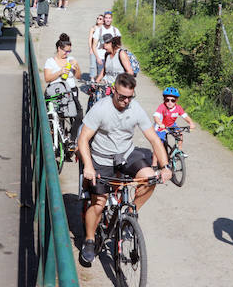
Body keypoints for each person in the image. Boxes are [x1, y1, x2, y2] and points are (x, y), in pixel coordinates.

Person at [77, 73, 172, 266]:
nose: (126, 101)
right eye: (122, 97)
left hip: (126, 154)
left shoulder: (135, 109)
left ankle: (130, 213)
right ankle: (89, 240)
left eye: (130, 97)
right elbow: (83, 139)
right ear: (113, 91)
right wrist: (88, 165)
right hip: (101, 157)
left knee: (150, 178)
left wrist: (165, 167)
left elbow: (154, 139)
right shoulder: (101, 108)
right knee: (99, 203)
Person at [44, 33, 83, 143]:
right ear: (59, 49)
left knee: (79, 114)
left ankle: (72, 138)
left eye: (69, 51)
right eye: (65, 51)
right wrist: (60, 72)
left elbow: (78, 77)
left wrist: (77, 67)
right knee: (59, 115)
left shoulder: (71, 59)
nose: (67, 53)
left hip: (70, 91)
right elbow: (47, 78)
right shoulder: (50, 61)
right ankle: (59, 138)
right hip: (57, 92)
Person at [91, 11, 120, 75]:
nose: (108, 20)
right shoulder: (99, 30)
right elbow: (94, 46)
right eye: (106, 18)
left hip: (112, 58)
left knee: (111, 77)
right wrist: (97, 58)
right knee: (100, 76)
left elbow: (119, 45)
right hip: (101, 58)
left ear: (112, 19)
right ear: (104, 19)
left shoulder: (115, 31)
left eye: (109, 18)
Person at [87, 14, 105, 78]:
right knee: (93, 65)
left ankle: (98, 78)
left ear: (103, 21)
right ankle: (92, 78)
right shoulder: (93, 28)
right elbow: (90, 39)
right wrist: (90, 48)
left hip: (101, 50)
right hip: (93, 48)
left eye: (100, 19)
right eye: (97, 18)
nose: (98, 19)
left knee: (100, 65)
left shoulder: (104, 29)